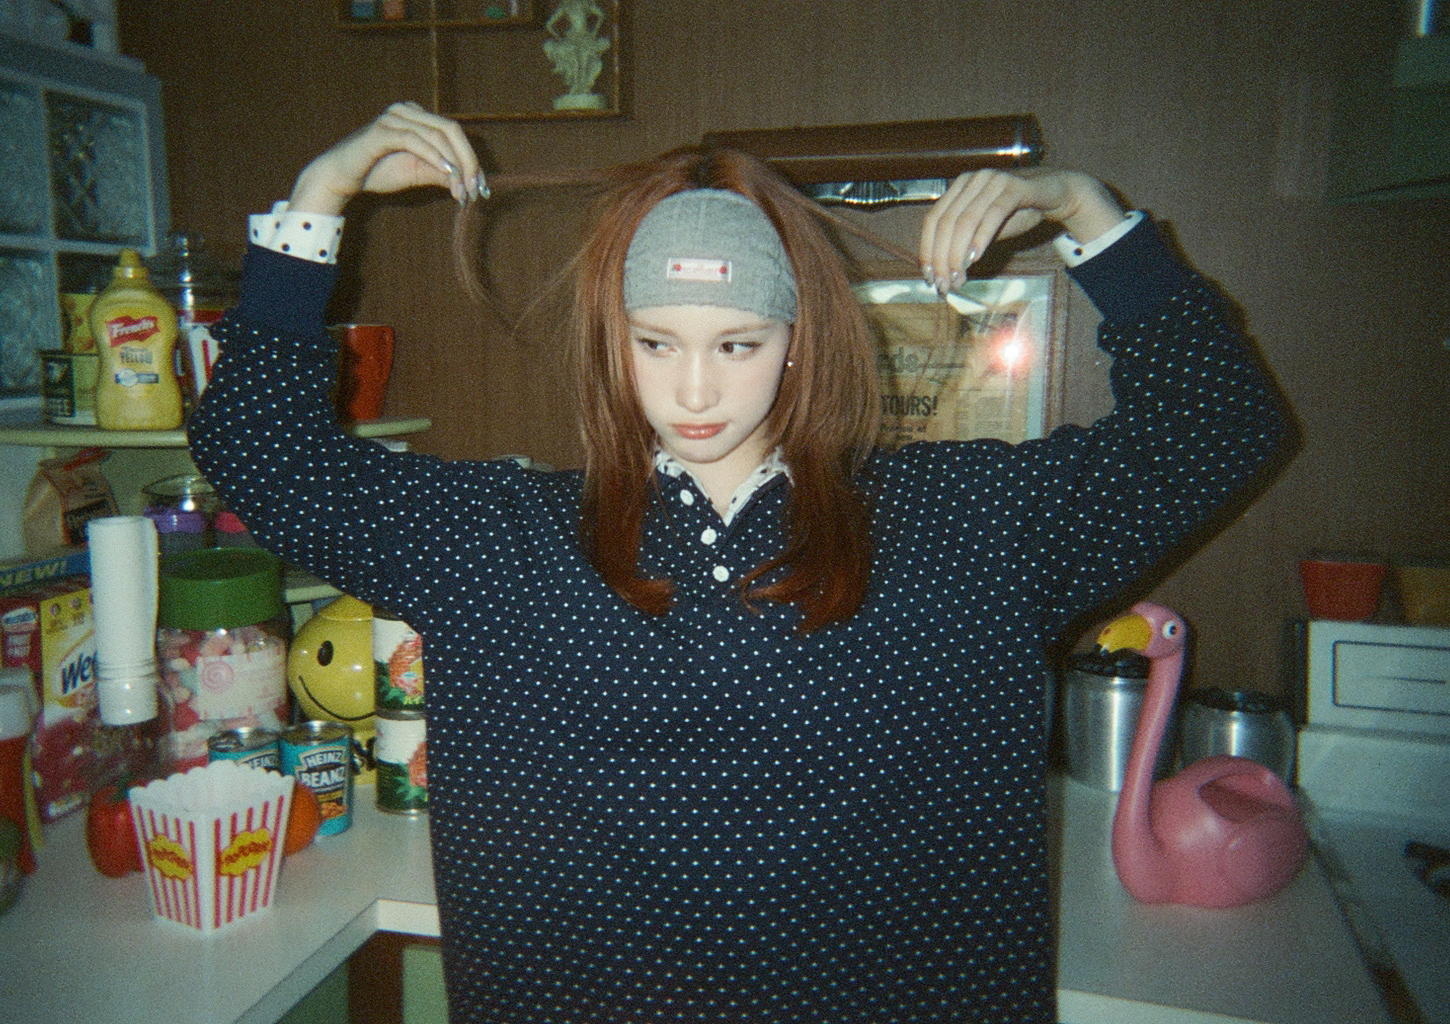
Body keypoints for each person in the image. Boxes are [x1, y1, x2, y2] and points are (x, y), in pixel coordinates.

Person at [189, 102, 1289, 1024]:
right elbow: (257, 448)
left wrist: (1089, 215)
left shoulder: (963, 527)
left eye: (737, 344)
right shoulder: (500, 544)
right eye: (655, 343)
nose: (695, 391)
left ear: (797, 339)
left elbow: (1219, 425)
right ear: (612, 342)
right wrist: (319, 198)